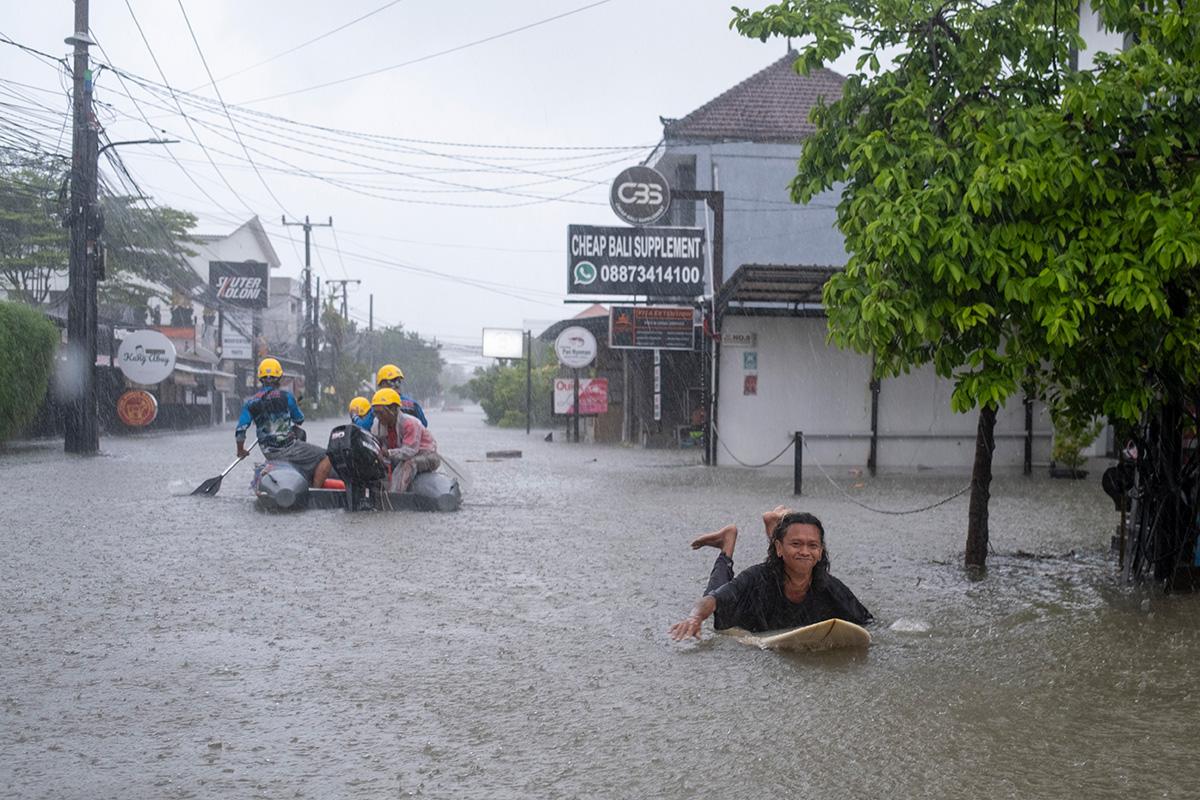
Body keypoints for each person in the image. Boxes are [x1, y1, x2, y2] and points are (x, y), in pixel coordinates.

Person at [669, 507, 872, 640]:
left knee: (791, 558)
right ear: (778, 547)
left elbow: (865, 621)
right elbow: (712, 600)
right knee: (718, 595)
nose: (805, 551)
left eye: (813, 545)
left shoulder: (829, 586)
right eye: (796, 543)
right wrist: (694, 618)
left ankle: (775, 526)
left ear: (820, 552)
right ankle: (727, 542)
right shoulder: (756, 577)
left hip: (779, 615)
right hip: (746, 617)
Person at [236, 357, 332, 488]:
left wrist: (241, 450)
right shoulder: (286, 397)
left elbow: (240, 430)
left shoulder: (251, 403)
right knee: (328, 455)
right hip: (289, 448)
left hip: (268, 452)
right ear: (279, 377)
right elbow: (299, 419)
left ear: (260, 378)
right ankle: (316, 491)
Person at [369, 387, 440, 492]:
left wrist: (387, 453)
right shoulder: (377, 424)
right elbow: (376, 443)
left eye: (381, 413)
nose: (378, 417)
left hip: (426, 456)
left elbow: (409, 452)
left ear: (393, 409)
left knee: (408, 464)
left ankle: (396, 496)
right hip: (398, 456)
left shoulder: (410, 423)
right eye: (376, 413)